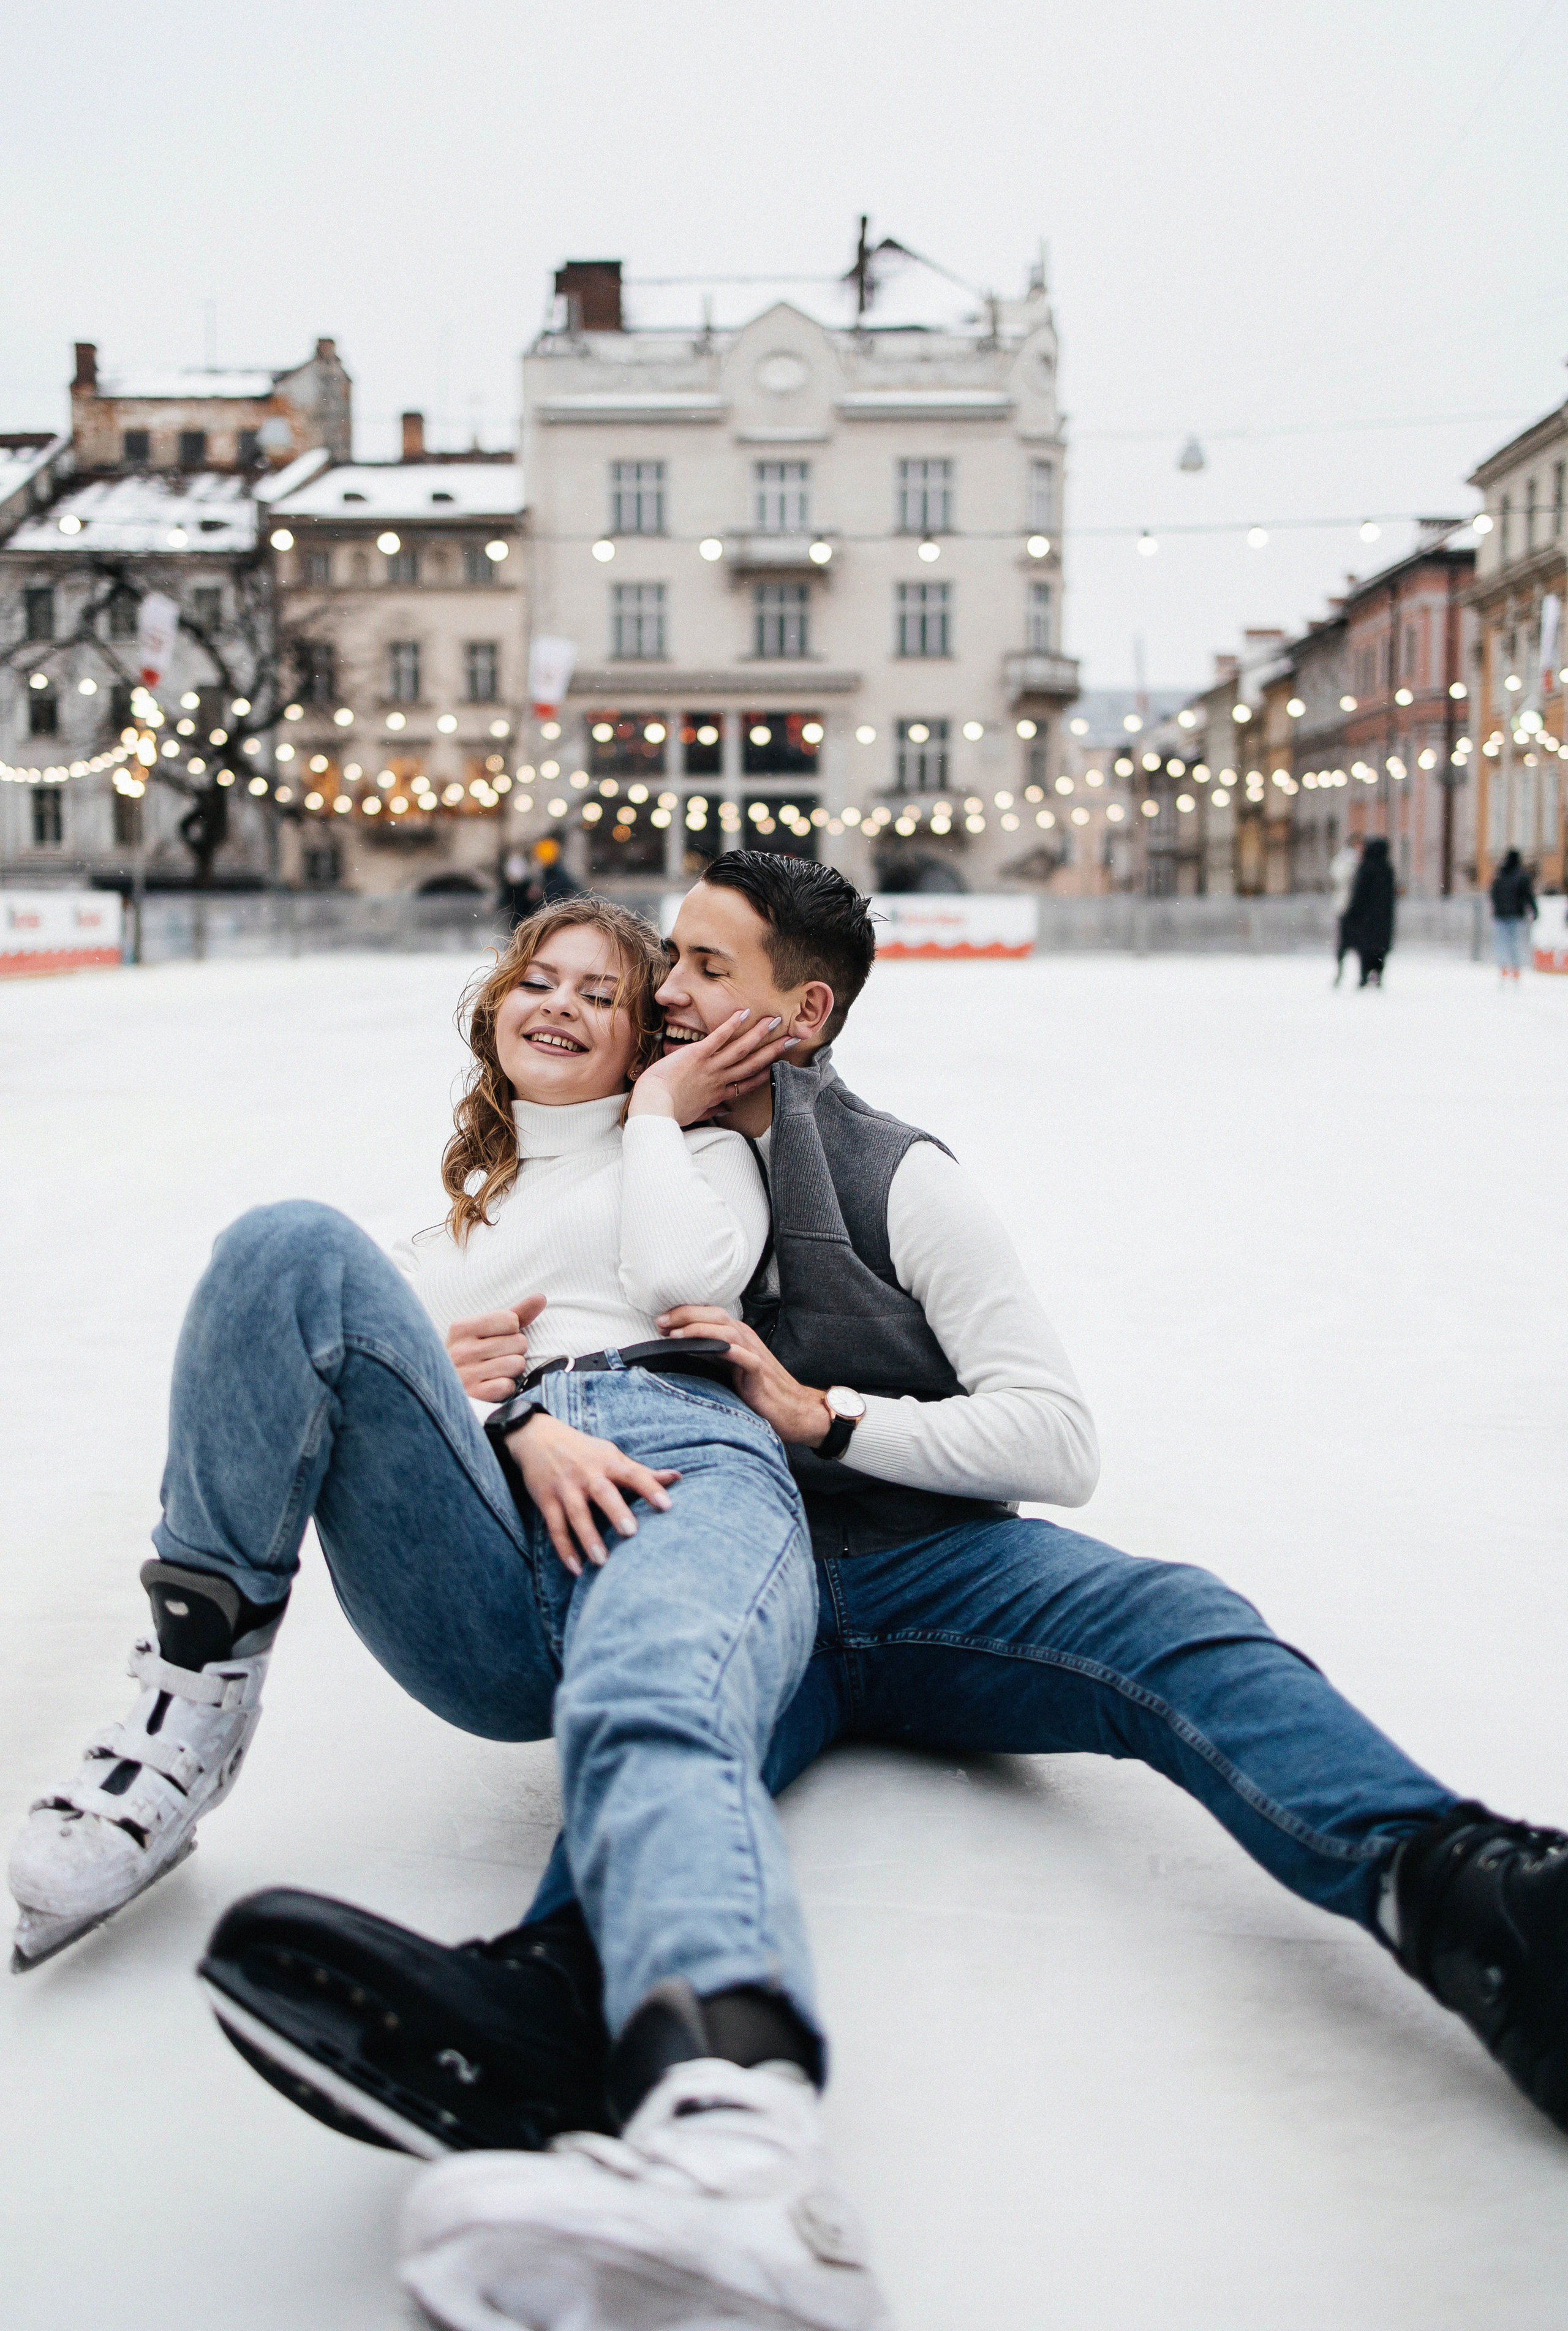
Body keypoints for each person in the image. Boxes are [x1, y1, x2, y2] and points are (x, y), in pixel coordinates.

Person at [214, 853, 1568, 2329]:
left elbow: (1054, 1436)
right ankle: (569, 1997)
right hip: (708, 1557)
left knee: (1174, 1622)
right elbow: (495, 1325)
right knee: (658, 1696)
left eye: (707, 970)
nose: (664, 992)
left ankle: (1468, 1896)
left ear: (799, 1016)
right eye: (668, 960)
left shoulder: (892, 1175)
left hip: (914, 1560)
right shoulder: (617, 1146)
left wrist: (827, 1418)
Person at [10, 890, 894, 2331]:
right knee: (289, 1243)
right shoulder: (430, 1253)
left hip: (667, 1479)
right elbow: (330, 1390)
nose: (559, 1004)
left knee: (656, 1706)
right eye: (538, 978)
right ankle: (182, 1723)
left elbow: (682, 1280)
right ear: (494, 1008)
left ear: (640, 1036)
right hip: (478, 1579)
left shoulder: (695, 1155)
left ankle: (737, 2151)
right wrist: (498, 1415)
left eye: (601, 993)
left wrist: (657, 1111)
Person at [1340, 833, 1395, 988]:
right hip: (1383, 920)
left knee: (1365, 949)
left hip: (1366, 920)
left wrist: (1352, 913)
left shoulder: (1366, 868)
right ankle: (1378, 974)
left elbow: (1359, 894)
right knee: (1380, 950)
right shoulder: (1387, 869)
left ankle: (1364, 976)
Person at [1490, 846, 1537, 983]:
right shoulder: (1521, 876)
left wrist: (1497, 907)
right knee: (1514, 942)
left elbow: (1494, 893)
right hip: (1516, 915)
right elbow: (1528, 895)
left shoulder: (1500, 874)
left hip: (1501, 915)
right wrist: (1534, 910)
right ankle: (1515, 968)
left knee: (1501, 942)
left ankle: (1504, 967)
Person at [1329, 828, 1363, 986]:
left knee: (1355, 942)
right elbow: (1340, 877)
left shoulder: (1360, 860)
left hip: (1356, 907)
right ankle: (1341, 972)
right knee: (1345, 942)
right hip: (1347, 906)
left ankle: (1359, 974)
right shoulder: (1346, 860)